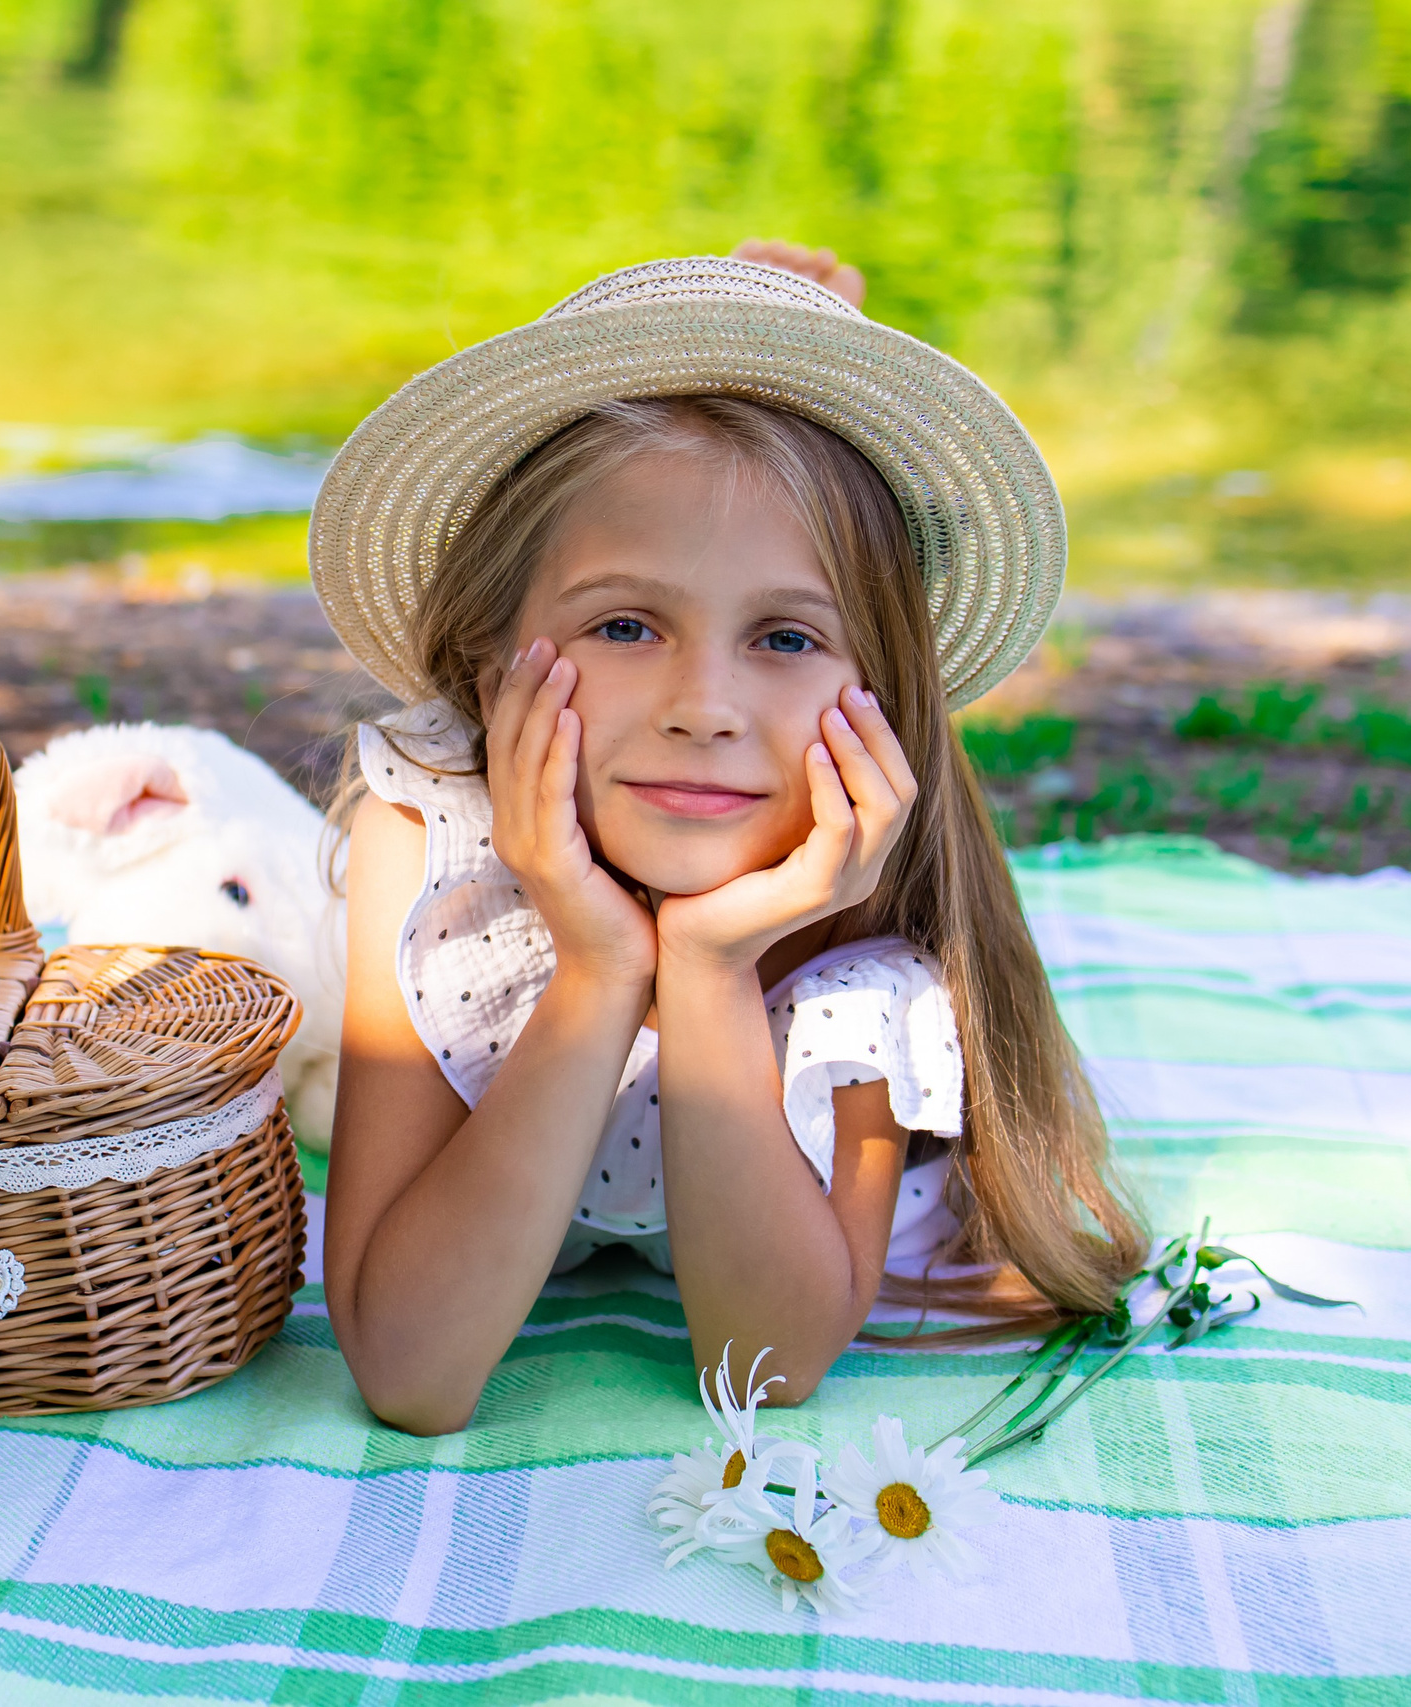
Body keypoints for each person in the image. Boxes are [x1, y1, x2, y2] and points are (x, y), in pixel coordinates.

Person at [311, 250, 1143, 1435]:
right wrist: (597, 970)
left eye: (787, 638)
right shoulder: (432, 828)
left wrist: (704, 968)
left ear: (883, 689)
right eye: (625, 623)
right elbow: (410, 1371)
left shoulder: (866, 922)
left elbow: (766, 1366)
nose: (703, 706)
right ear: (490, 662)